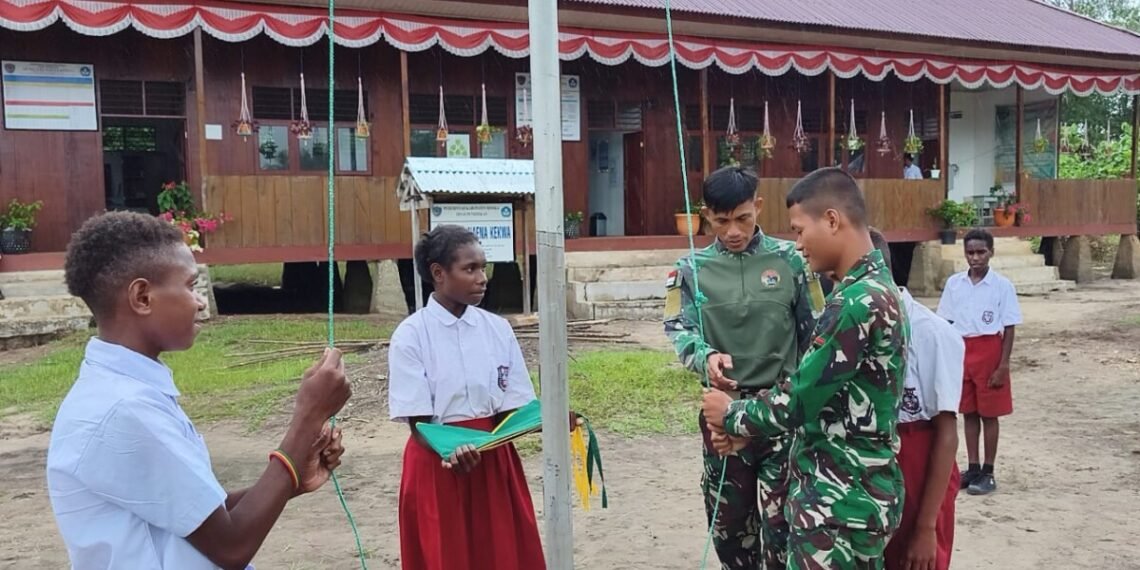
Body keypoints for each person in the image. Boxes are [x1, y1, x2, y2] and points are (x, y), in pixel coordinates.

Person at [47, 211, 351, 570]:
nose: (201, 301)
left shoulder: (126, 391)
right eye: (190, 286)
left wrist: (289, 480)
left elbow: (203, 516)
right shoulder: (124, 409)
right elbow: (230, 545)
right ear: (142, 297)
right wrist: (308, 418)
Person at [702, 167, 908, 570]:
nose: (797, 244)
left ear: (831, 220)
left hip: (838, 504)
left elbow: (799, 397)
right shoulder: (874, 289)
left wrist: (731, 414)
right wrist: (748, 435)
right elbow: (830, 406)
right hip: (849, 495)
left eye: (799, 230)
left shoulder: (856, 303)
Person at [390, 224, 577, 570]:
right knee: (448, 555)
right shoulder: (411, 336)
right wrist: (451, 451)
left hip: (493, 460)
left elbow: (513, 408)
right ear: (438, 274)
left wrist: (547, 420)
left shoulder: (497, 329)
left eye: (483, 267)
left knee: (502, 553)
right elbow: (418, 424)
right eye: (470, 268)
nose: (482, 277)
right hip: (439, 464)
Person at [664, 166, 819, 569]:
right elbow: (678, 327)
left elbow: (814, 334)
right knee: (730, 527)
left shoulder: (793, 261)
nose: (733, 231)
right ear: (705, 215)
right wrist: (705, 356)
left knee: (781, 523)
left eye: (743, 219)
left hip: (781, 414)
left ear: (759, 207)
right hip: (724, 415)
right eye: (721, 221)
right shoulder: (689, 270)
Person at [863, 229, 963, 570]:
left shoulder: (932, 333)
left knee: (915, 559)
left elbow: (947, 432)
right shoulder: (848, 326)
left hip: (918, 465)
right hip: (869, 465)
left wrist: (925, 527)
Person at [937, 228, 1022, 496]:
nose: (975, 258)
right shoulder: (954, 284)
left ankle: (988, 470)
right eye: (970, 252)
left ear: (991, 252)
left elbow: (1009, 327)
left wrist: (1003, 365)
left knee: (989, 413)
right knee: (968, 412)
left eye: (981, 252)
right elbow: (945, 322)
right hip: (962, 350)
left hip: (989, 351)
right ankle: (972, 466)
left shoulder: (1002, 286)